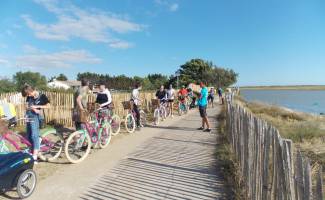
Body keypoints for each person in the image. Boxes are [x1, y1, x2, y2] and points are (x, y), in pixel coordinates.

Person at [21, 84, 50, 162]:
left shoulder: (42, 96)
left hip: (35, 117)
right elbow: (27, 106)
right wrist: (28, 108)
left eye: (28, 94)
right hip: (29, 116)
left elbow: (48, 106)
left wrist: (37, 107)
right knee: (28, 136)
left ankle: (35, 156)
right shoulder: (29, 96)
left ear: (31, 91)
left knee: (34, 136)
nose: (28, 96)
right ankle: (32, 151)